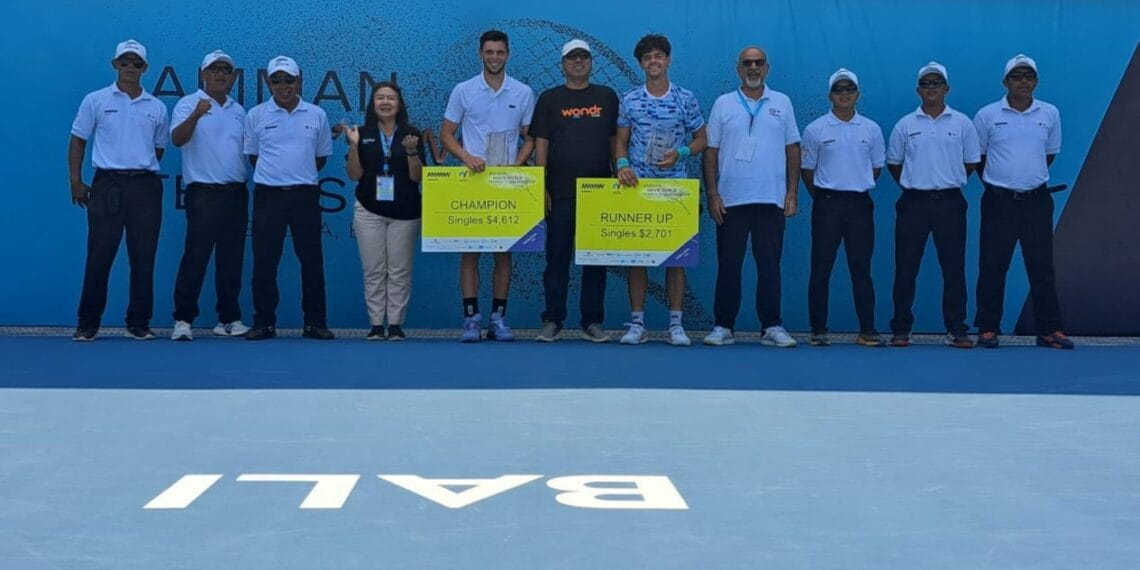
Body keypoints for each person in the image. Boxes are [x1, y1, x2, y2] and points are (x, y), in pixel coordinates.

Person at [69, 39, 170, 341]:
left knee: (143, 256)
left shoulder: (157, 107)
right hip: (107, 184)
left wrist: (136, 166)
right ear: (115, 65)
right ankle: (88, 323)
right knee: (99, 255)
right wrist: (75, 180)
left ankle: (138, 322)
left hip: (145, 186)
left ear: (145, 68)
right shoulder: (96, 100)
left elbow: (159, 149)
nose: (130, 68)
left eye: (136, 63)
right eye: (124, 62)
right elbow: (78, 140)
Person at [440, 29, 536, 342]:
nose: (495, 57)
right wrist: (466, 157)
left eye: (500, 52)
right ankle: (471, 319)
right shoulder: (463, 90)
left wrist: (519, 164)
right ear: (480, 54)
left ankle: (498, 318)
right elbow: (446, 135)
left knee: (503, 253)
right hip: (473, 181)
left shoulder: (522, 92)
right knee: (470, 253)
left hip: (507, 183)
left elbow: (530, 136)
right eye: (489, 52)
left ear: (508, 54)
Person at [972, 54, 1073, 349]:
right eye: (1016, 76)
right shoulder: (987, 115)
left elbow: (1048, 155)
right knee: (993, 265)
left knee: (1041, 267)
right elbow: (978, 158)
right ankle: (988, 328)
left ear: (1036, 81)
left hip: (1037, 201)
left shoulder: (1049, 113)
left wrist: (1026, 182)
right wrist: (1001, 184)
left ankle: (1049, 330)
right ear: (1005, 82)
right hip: (998, 202)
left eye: (1028, 76)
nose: (1023, 81)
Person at [702, 46, 800, 348]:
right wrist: (713, 193)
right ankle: (723, 326)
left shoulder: (782, 102)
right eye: (747, 63)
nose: (753, 68)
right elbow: (711, 151)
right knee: (728, 265)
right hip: (730, 200)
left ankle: (772, 325)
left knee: (769, 265)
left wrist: (792, 192)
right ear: (738, 69)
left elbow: (793, 149)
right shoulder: (723, 104)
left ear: (767, 68)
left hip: (771, 199)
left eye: (758, 63)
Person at [614, 33, 707, 346]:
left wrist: (680, 154)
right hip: (637, 186)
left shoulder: (685, 98)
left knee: (675, 258)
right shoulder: (629, 99)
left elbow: (702, 139)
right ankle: (638, 323)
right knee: (637, 258)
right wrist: (623, 165)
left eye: (659, 56)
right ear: (641, 64)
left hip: (675, 187)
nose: (653, 61)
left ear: (667, 60)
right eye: (647, 58)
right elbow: (620, 141)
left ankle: (676, 325)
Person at [885, 62, 980, 349]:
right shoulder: (905, 124)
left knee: (953, 268)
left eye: (936, 83)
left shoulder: (962, 123)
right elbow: (894, 164)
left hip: (950, 202)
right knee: (905, 268)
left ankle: (956, 329)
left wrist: (946, 179)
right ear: (918, 90)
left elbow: (972, 161)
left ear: (946, 88)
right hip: (913, 202)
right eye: (926, 83)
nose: (931, 88)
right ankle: (901, 329)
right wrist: (917, 183)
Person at [531, 39, 618, 343]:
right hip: (560, 192)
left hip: (600, 193)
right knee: (556, 259)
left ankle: (592, 321)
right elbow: (540, 144)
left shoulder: (607, 97)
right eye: (572, 58)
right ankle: (553, 320)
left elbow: (614, 142)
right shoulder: (549, 99)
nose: (578, 62)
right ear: (563, 64)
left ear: (592, 63)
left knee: (596, 260)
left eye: (583, 57)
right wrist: (541, 186)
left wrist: (617, 180)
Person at [243, 56, 334, 341]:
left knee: (311, 261)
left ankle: (315, 322)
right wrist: (279, 177)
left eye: (289, 80)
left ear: (300, 81)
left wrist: (297, 176)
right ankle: (264, 322)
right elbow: (254, 157)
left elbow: (319, 158)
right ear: (268, 82)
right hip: (269, 196)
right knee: (265, 261)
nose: (283, 86)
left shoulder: (316, 114)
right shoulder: (256, 115)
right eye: (277, 80)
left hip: (305, 195)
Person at [801, 68, 886, 347]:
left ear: (857, 94)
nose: (844, 94)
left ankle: (867, 330)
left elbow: (875, 169)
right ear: (830, 95)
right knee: (820, 268)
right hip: (827, 205)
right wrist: (827, 196)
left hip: (860, 205)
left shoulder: (871, 129)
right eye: (839, 89)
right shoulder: (816, 129)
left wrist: (853, 187)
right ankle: (818, 329)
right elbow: (808, 171)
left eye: (849, 89)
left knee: (861, 269)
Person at [169, 50, 250, 341]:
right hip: (203, 193)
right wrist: (196, 114)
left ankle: (228, 319)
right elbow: (177, 139)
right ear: (203, 74)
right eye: (214, 70)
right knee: (196, 256)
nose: (219, 75)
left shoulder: (239, 110)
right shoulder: (187, 104)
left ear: (232, 77)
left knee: (232, 258)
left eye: (225, 71)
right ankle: (183, 320)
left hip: (235, 194)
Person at [343, 82, 426, 341]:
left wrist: (412, 151)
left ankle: (397, 325)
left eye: (391, 98)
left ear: (399, 104)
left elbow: (417, 177)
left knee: (400, 270)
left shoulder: (411, 134)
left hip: (406, 212)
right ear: (373, 103)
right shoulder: (361, 132)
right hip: (369, 210)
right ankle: (377, 325)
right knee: (374, 269)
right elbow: (354, 174)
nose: (386, 102)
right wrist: (354, 146)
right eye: (380, 98)